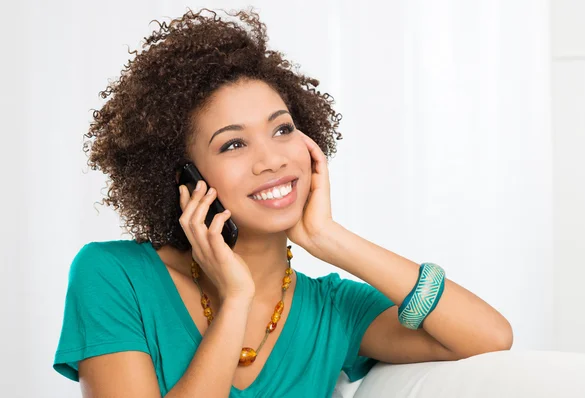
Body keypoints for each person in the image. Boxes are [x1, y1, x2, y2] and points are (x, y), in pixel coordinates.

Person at [53, 7, 513, 398]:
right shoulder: (113, 277)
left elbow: (491, 337)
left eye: (282, 129)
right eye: (233, 145)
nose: (271, 159)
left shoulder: (332, 310)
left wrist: (328, 237)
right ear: (184, 179)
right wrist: (235, 300)